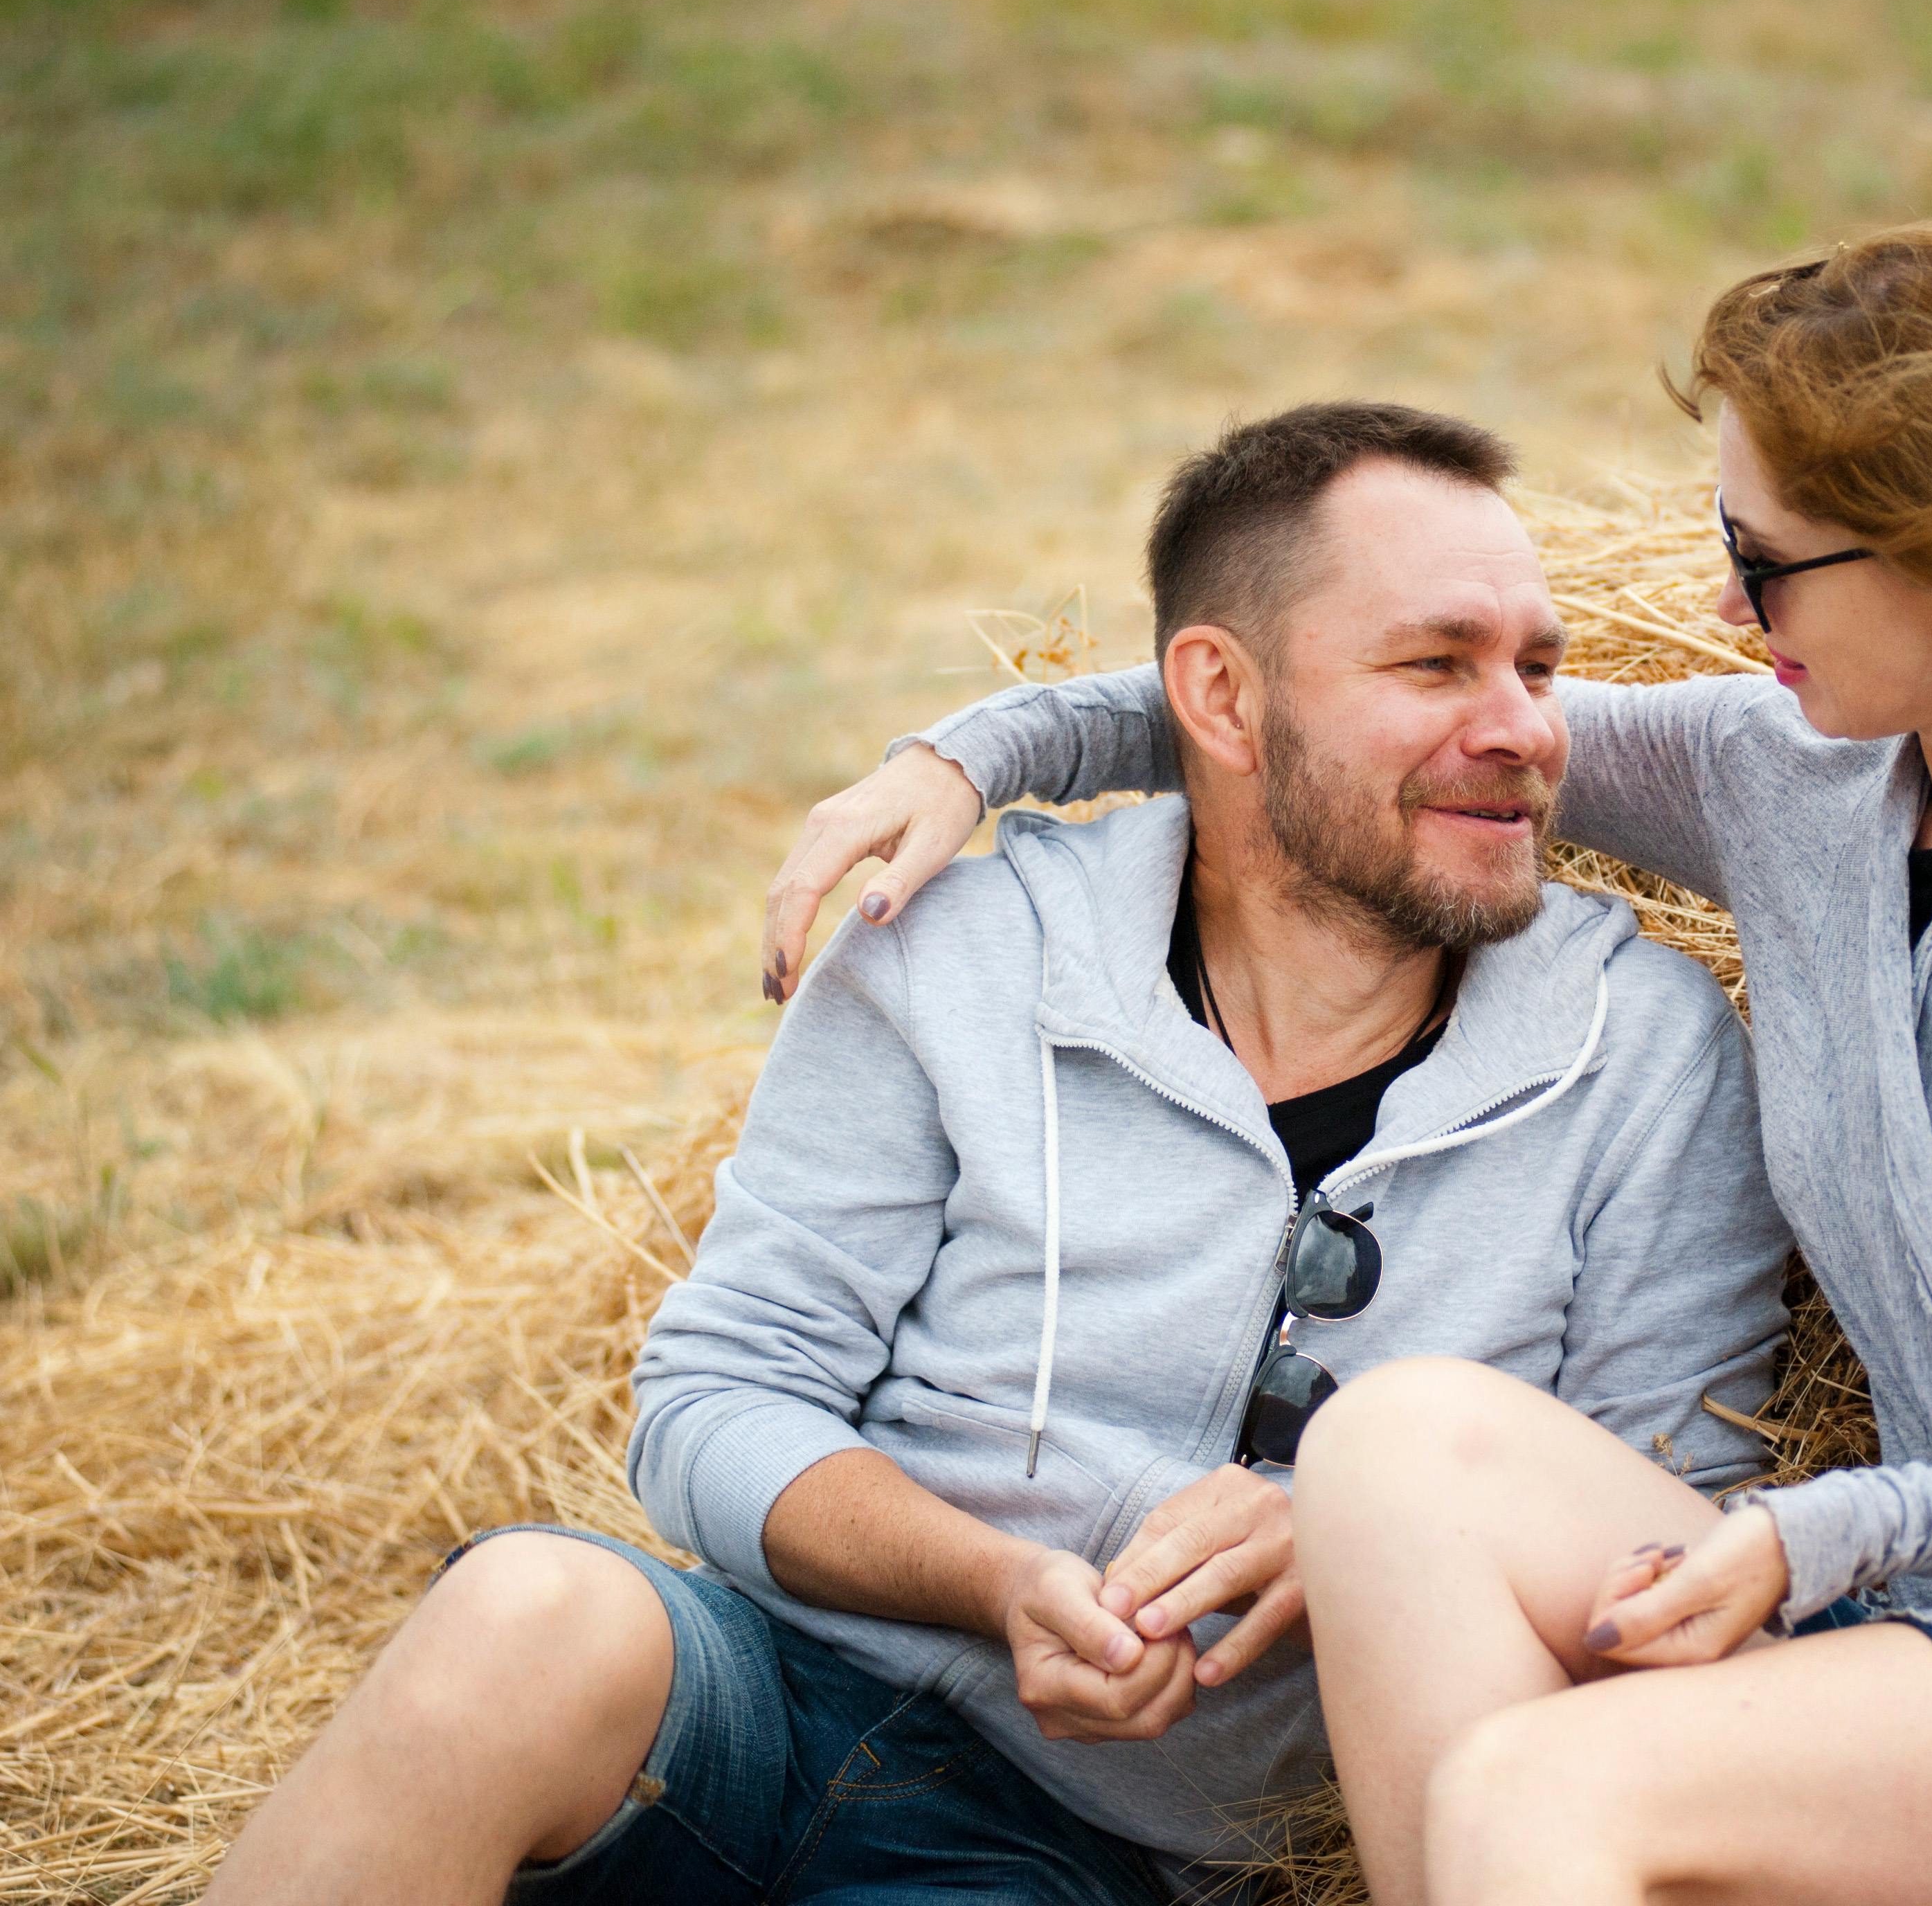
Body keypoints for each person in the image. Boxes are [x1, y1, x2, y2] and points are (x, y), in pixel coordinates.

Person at [764, 221, 1932, 1906]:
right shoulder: (1797, 778)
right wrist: (971, 759)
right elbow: (1322, 724)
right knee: (1391, 1449)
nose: (1726, 593)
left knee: (1527, 1789)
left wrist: (1844, 1528)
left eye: (1763, 557)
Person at [201, 403, 1791, 1906]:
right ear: (1223, 698)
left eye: (1537, 667)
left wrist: (1368, 1533)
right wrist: (989, 1582)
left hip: (1115, 1853)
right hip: (784, 1691)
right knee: (518, 1617)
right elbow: (713, 1400)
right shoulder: (957, 950)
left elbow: (1674, 1535)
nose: (1522, 730)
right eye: (1438, 665)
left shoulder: (1644, 1054)